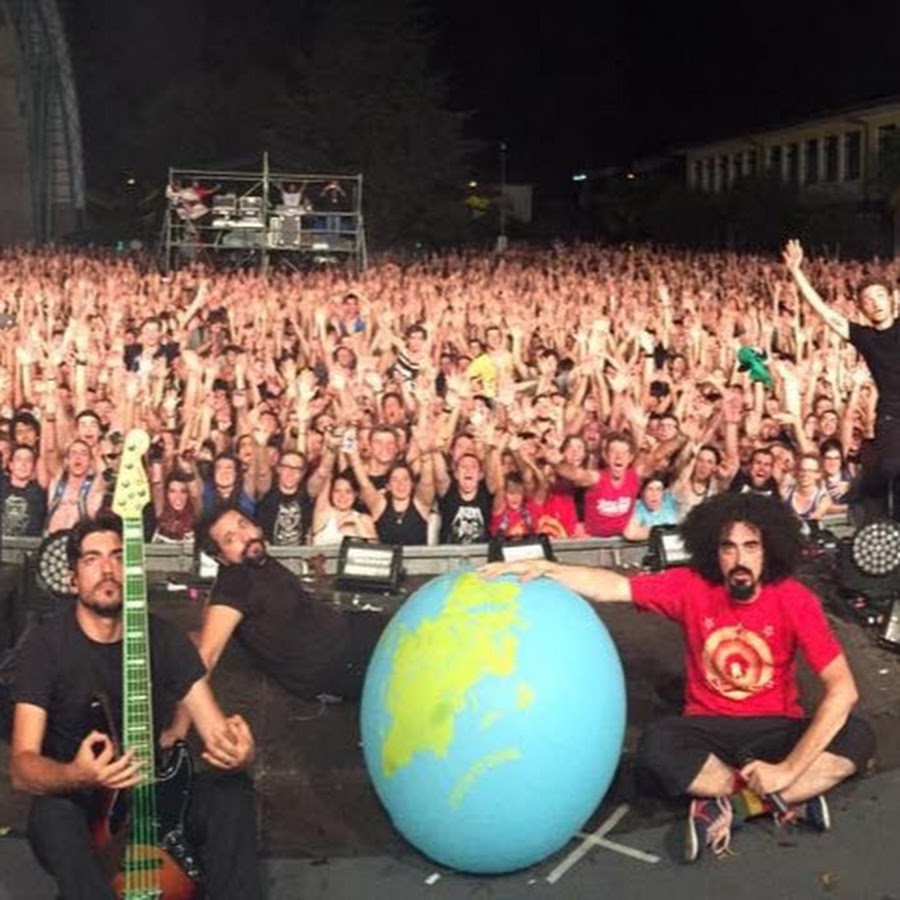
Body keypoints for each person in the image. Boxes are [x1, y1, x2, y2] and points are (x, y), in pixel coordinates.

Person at [482, 492, 874, 863]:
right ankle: (786, 797)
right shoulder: (691, 586)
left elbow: (843, 690)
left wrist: (787, 768)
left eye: (751, 546)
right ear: (713, 552)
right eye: (728, 547)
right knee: (656, 748)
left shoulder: (794, 598)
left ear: (769, 550)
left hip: (776, 727)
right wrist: (548, 568)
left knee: (857, 737)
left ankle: (740, 803)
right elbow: (615, 586)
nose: (739, 559)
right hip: (707, 729)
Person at [8, 513, 263, 899]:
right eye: (92, 559)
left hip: (155, 792)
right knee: (52, 815)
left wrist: (240, 753)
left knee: (233, 792)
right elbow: (22, 767)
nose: (107, 569)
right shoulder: (44, 647)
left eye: (118, 556)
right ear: (73, 578)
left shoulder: (165, 638)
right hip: (82, 798)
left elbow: (214, 729)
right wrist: (77, 774)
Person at [193, 506, 386, 701]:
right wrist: (191, 719)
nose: (245, 536)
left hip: (345, 633)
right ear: (220, 557)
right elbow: (208, 655)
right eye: (230, 539)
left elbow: (213, 607)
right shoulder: (234, 583)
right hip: (334, 665)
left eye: (243, 525)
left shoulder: (256, 560)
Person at [784, 239, 900, 521]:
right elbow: (826, 315)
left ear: (892, 299)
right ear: (862, 308)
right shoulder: (865, 337)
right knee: (891, 468)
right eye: (868, 300)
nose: (875, 303)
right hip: (891, 415)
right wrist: (797, 272)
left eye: (880, 296)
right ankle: (865, 490)